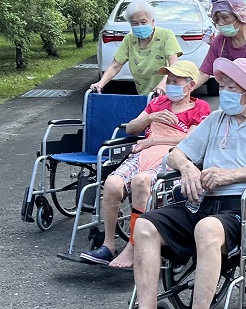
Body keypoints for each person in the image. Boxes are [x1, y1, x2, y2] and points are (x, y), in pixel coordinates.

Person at [96, 58, 246, 309]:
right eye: (224, 86)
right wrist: (189, 169)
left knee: (206, 228)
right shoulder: (216, 119)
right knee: (146, 226)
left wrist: (232, 175)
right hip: (209, 202)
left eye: (231, 88)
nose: (224, 92)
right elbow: (177, 153)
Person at [80, 60, 211, 268]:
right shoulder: (158, 103)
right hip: (143, 154)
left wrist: (153, 140)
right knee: (112, 184)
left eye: (176, 81)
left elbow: (192, 140)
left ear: (191, 85)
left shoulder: (200, 108)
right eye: (169, 80)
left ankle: (133, 247)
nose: (170, 85)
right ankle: (108, 244)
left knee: (141, 182)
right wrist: (151, 116)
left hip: (171, 157)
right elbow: (131, 128)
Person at [90, 0, 182, 95]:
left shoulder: (166, 35)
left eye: (143, 22)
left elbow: (174, 65)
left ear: (152, 21)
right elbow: (115, 66)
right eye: (135, 23)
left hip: (166, 92)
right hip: (143, 93)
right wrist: (100, 83)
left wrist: (163, 84)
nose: (140, 26)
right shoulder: (129, 39)